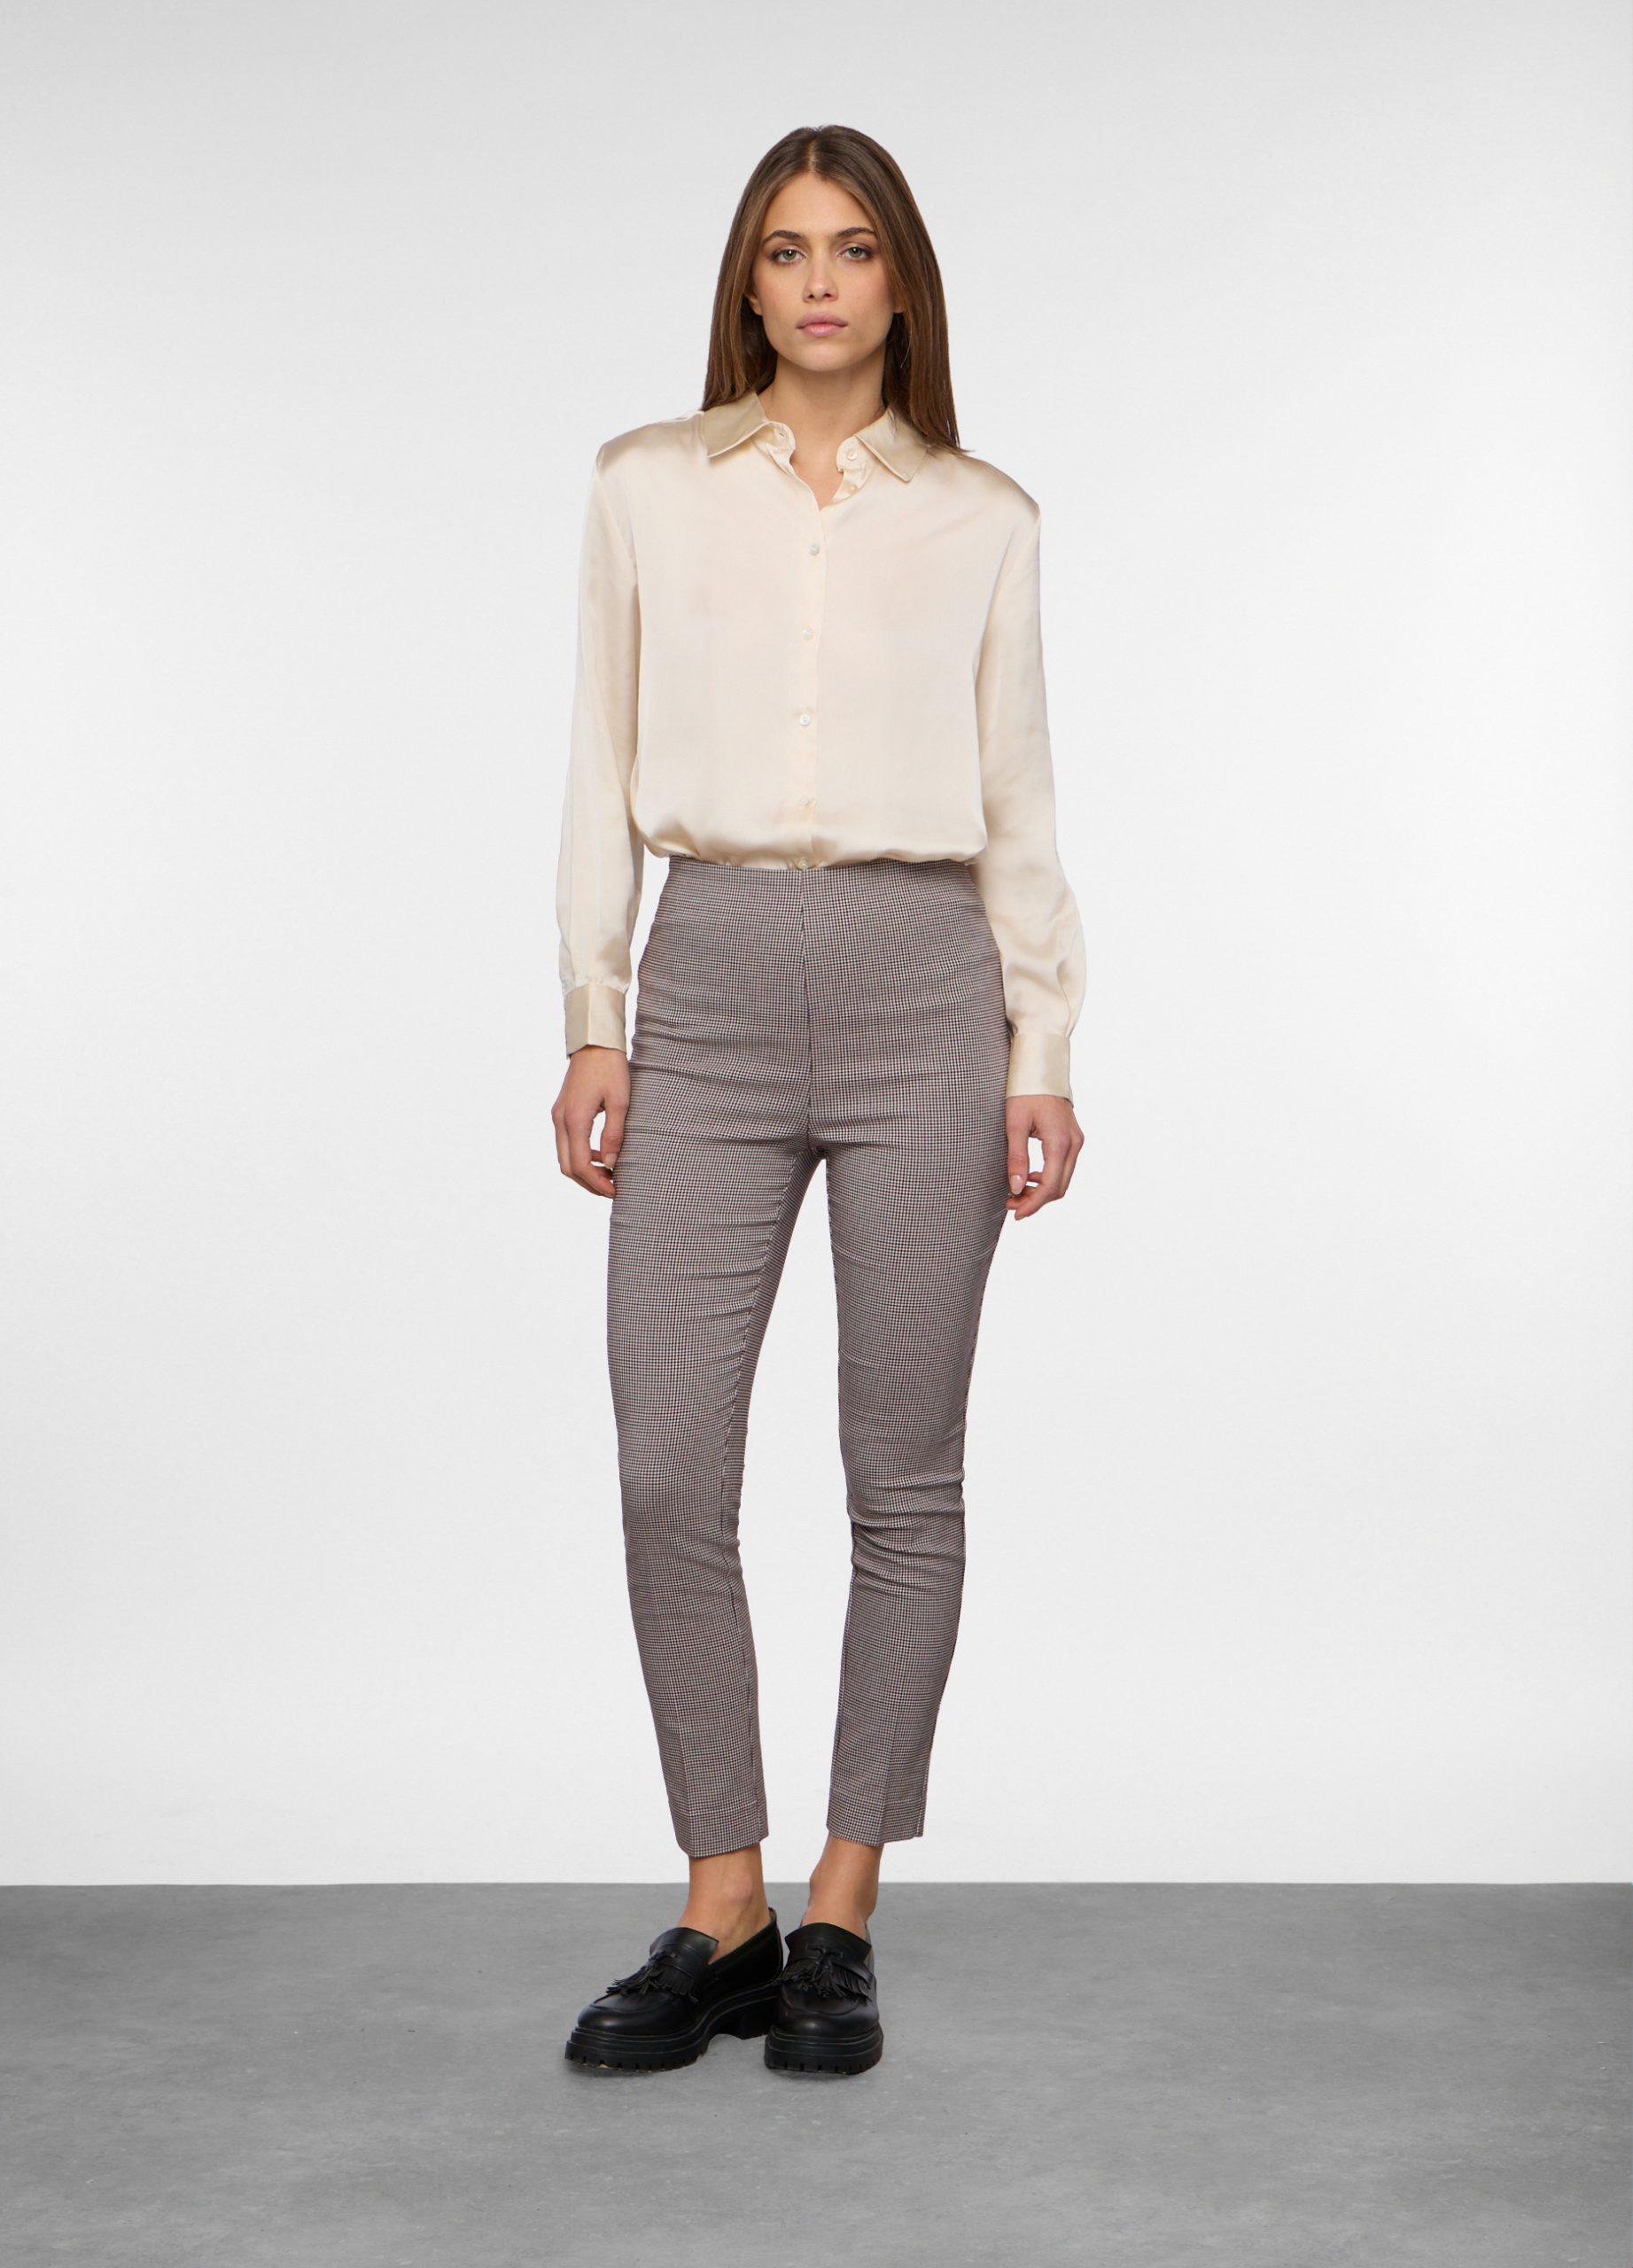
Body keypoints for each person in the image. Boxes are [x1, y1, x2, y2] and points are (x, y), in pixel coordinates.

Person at [553, 123, 1086, 2078]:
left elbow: (1019, 797)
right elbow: (594, 762)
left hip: (922, 985)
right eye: (785, 251)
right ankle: (724, 1905)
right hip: (701, 978)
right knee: (668, 1468)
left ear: (900, 283)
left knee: (901, 1474)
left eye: (854, 250)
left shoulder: (985, 518)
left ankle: (841, 1907)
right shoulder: (644, 486)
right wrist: (594, 1015)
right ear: (748, 282)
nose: (820, 285)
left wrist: (1042, 1049)